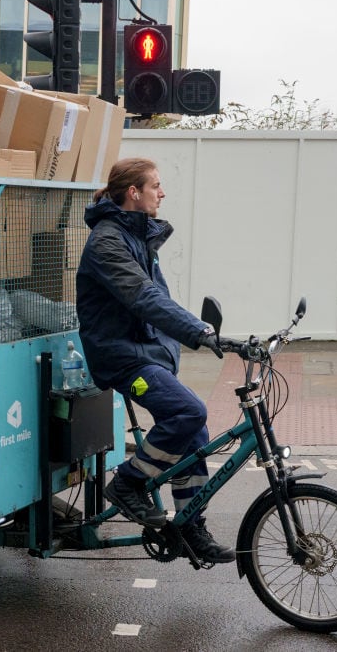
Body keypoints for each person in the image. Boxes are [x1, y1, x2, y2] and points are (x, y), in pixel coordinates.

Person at [74, 157, 234, 564]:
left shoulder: (138, 236)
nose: (162, 193)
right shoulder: (107, 242)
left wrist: (204, 333)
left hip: (142, 352)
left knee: (194, 433)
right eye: (155, 186)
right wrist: (198, 332)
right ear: (134, 192)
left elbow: (159, 299)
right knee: (188, 411)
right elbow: (143, 298)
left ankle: (190, 524)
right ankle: (127, 484)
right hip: (120, 357)